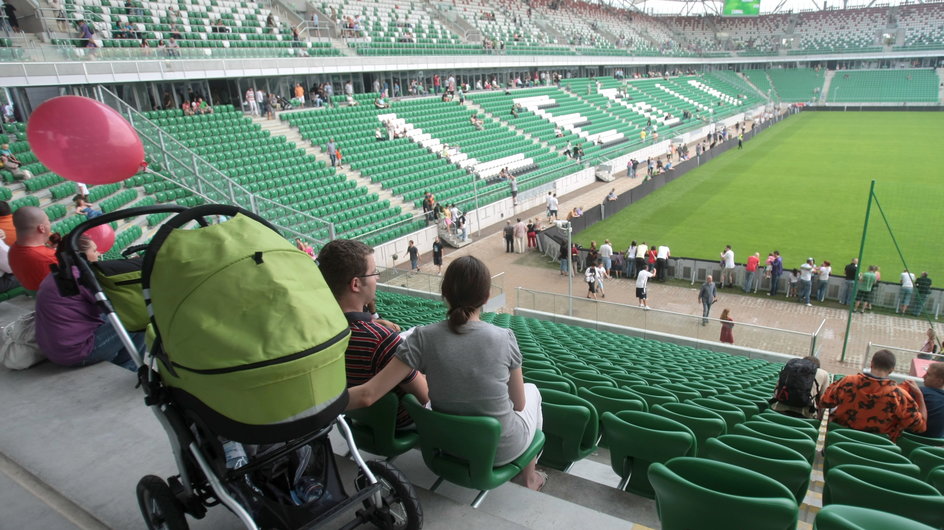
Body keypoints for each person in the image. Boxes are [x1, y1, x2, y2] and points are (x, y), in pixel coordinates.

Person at [346, 256, 547, 491]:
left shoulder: (421, 337)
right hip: (500, 450)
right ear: (486, 296)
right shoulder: (504, 337)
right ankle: (529, 478)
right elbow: (519, 404)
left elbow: (371, 391)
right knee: (533, 392)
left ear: (445, 294)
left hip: (443, 445)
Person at [317, 239, 428, 429]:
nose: (377, 278)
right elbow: (426, 395)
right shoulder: (381, 339)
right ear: (355, 284)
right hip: (397, 423)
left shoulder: (317, 330)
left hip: (354, 423)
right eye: (373, 272)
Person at [35, 236, 143, 371]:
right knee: (139, 318)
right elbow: (115, 303)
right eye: (94, 250)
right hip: (76, 353)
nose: (99, 254)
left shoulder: (59, 274)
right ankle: (130, 367)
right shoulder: (81, 277)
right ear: (82, 256)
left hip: (53, 349)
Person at [821, 350, 926, 442]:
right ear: (891, 370)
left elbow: (824, 401)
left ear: (871, 364)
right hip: (876, 450)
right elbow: (920, 427)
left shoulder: (848, 381)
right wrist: (919, 396)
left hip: (840, 442)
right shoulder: (899, 396)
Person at [8, 207, 58, 292]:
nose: (49, 224)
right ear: (42, 228)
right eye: (48, 221)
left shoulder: (12, 250)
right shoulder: (48, 257)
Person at [769, 356, 830, 420]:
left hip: (777, 411)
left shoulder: (790, 368)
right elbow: (824, 400)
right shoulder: (823, 374)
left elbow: (776, 390)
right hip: (805, 416)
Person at [913, 362, 944, 438]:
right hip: (931, 446)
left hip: (905, 441)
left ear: (940, 381)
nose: (923, 376)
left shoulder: (917, 392)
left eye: (928, 374)